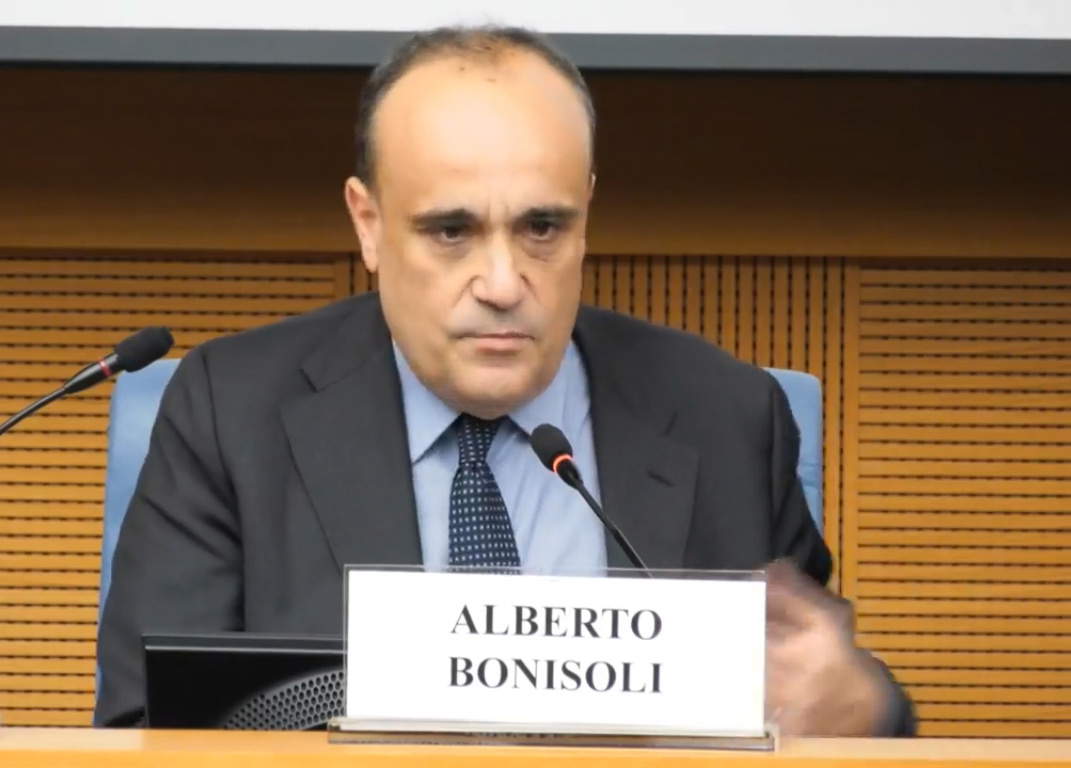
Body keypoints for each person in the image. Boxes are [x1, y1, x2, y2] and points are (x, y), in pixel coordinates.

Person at [95, 26, 914, 735]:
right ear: (368, 223)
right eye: (451, 230)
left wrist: (861, 704)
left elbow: (831, 706)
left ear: (586, 214)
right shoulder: (231, 413)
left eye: (542, 227)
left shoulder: (724, 416)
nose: (501, 281)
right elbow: (146, 729)